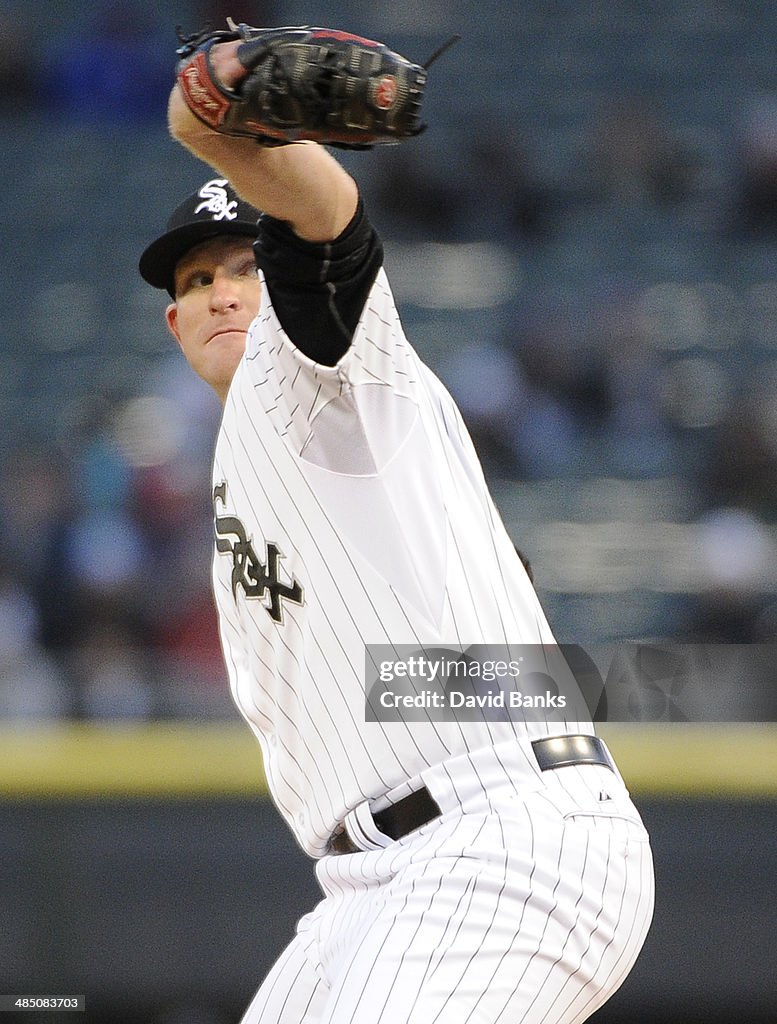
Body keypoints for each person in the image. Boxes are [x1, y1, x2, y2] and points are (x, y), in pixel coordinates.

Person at [139, 35, 654, 1024]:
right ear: (173, 324)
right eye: (195, 281)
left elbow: (325, 217)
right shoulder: (251, 457)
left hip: (492, 841)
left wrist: (213, 124)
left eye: (244, 263)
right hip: (372, 884)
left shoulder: (312, 366)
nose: (222, 291)